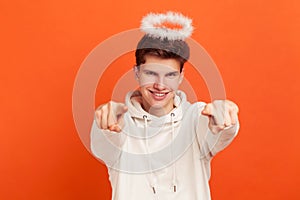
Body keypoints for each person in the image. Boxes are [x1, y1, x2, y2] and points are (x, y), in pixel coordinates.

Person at [90, 11, 239, 200]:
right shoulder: (120, 123)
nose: (160, 85)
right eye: (151, 73)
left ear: (181, 77)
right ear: (137, 73)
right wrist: (105, 127)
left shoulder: (196, 118)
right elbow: (101, 145)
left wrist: (225, 119)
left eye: (170, 75)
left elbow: (219, 132)